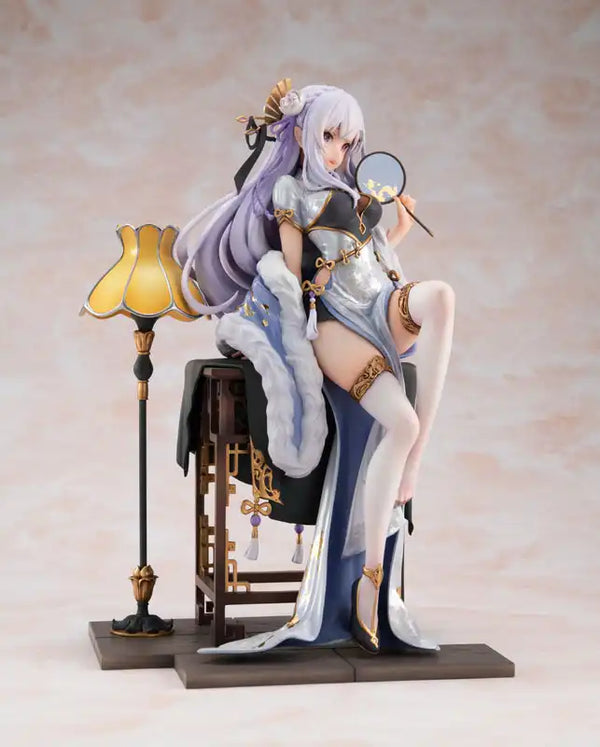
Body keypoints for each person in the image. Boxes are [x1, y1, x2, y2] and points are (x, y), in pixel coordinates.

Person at [174, 81, 454, 655]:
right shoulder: (290, 191)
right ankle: (370, 578)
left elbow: (372, 259)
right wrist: (306, 286)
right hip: (330, 321)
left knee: (443, 297)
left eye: (348, 142)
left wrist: (397, 230)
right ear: (302, 134)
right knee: (399, 422)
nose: (338, 150)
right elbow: (293, 272)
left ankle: (415, 462)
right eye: (329, 136)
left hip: (380, 303)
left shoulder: (357, 190)